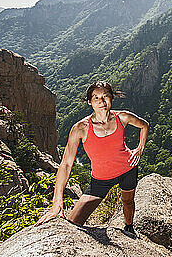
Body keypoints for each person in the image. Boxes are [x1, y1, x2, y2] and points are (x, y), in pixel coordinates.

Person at [35, 81, 149, 235]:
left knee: (128, 201)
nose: (101, 102)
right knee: (73, 223)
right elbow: (66, 164)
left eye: (105, 96)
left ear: (112, 98)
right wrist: (57, 202)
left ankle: (129, 227)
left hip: (127, 168)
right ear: (89, 102)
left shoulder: (122, 117)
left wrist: (139, 149)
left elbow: (144, 125)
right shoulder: (80, 128)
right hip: (100, 180)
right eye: (96, 98)